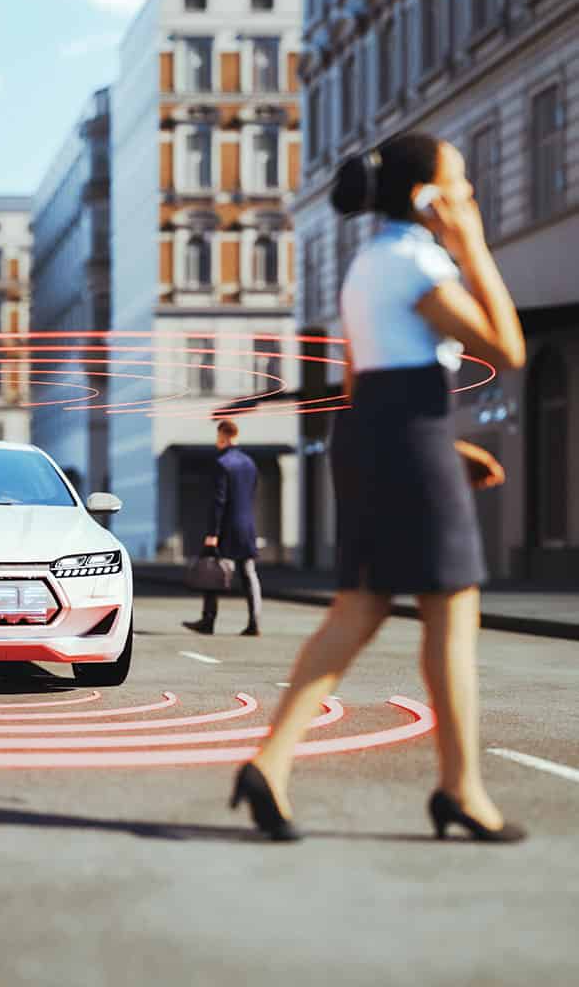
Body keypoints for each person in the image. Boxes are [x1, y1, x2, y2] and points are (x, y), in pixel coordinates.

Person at [232, 133, 527, 844]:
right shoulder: (420, 259)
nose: (469, 193)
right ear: (427, 196)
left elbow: (366, 376)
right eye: (459, 182)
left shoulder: (368, 262)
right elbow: (507, 350)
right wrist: (475, 244)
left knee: (358, 609)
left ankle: (269, 764)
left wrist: (438, 443)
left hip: (374, 434)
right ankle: (462, 790)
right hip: (406, 435)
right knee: (452, 612)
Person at [184, 420, 263, 637]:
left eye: (218, 437)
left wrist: (212, 534)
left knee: (213, 571)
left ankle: (208, 621)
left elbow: (219, 501)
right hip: (247, 526)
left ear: (223, 436)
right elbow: (251, 494)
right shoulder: (250, 463)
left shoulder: (222, 463)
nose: (216, 442)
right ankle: (255, 622)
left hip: (227, 528)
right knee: (249, 575)